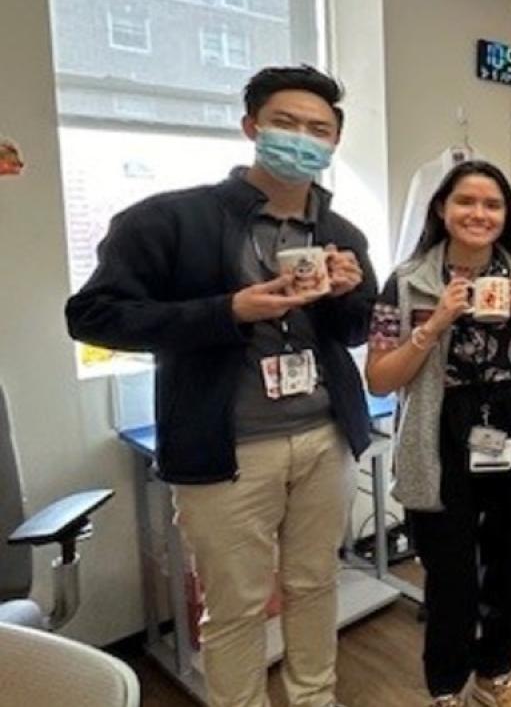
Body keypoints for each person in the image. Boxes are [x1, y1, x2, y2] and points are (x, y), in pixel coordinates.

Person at [65, 65, 375, 707]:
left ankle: (315, 698)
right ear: (250, 127)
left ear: (335, 143)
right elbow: (92, 316)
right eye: (285, 124)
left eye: (318, 130)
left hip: (323, 438)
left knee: (317, 583)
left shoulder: (341, 234)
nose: (302, 139)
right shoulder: (169, 220)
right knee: (235, 607)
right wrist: (228, 310)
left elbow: (348, 333)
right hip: (227, 450)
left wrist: (352, 290)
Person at [366, 160, 511, 707]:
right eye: (466, 202)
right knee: (450, 571)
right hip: (438, 430)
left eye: (492, 204)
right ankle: (446, 684)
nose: (479, 213)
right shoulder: (408, 281)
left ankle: (495, 669)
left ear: (506, 214)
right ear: (442, 210)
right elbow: (380, 378)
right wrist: (434, 325)